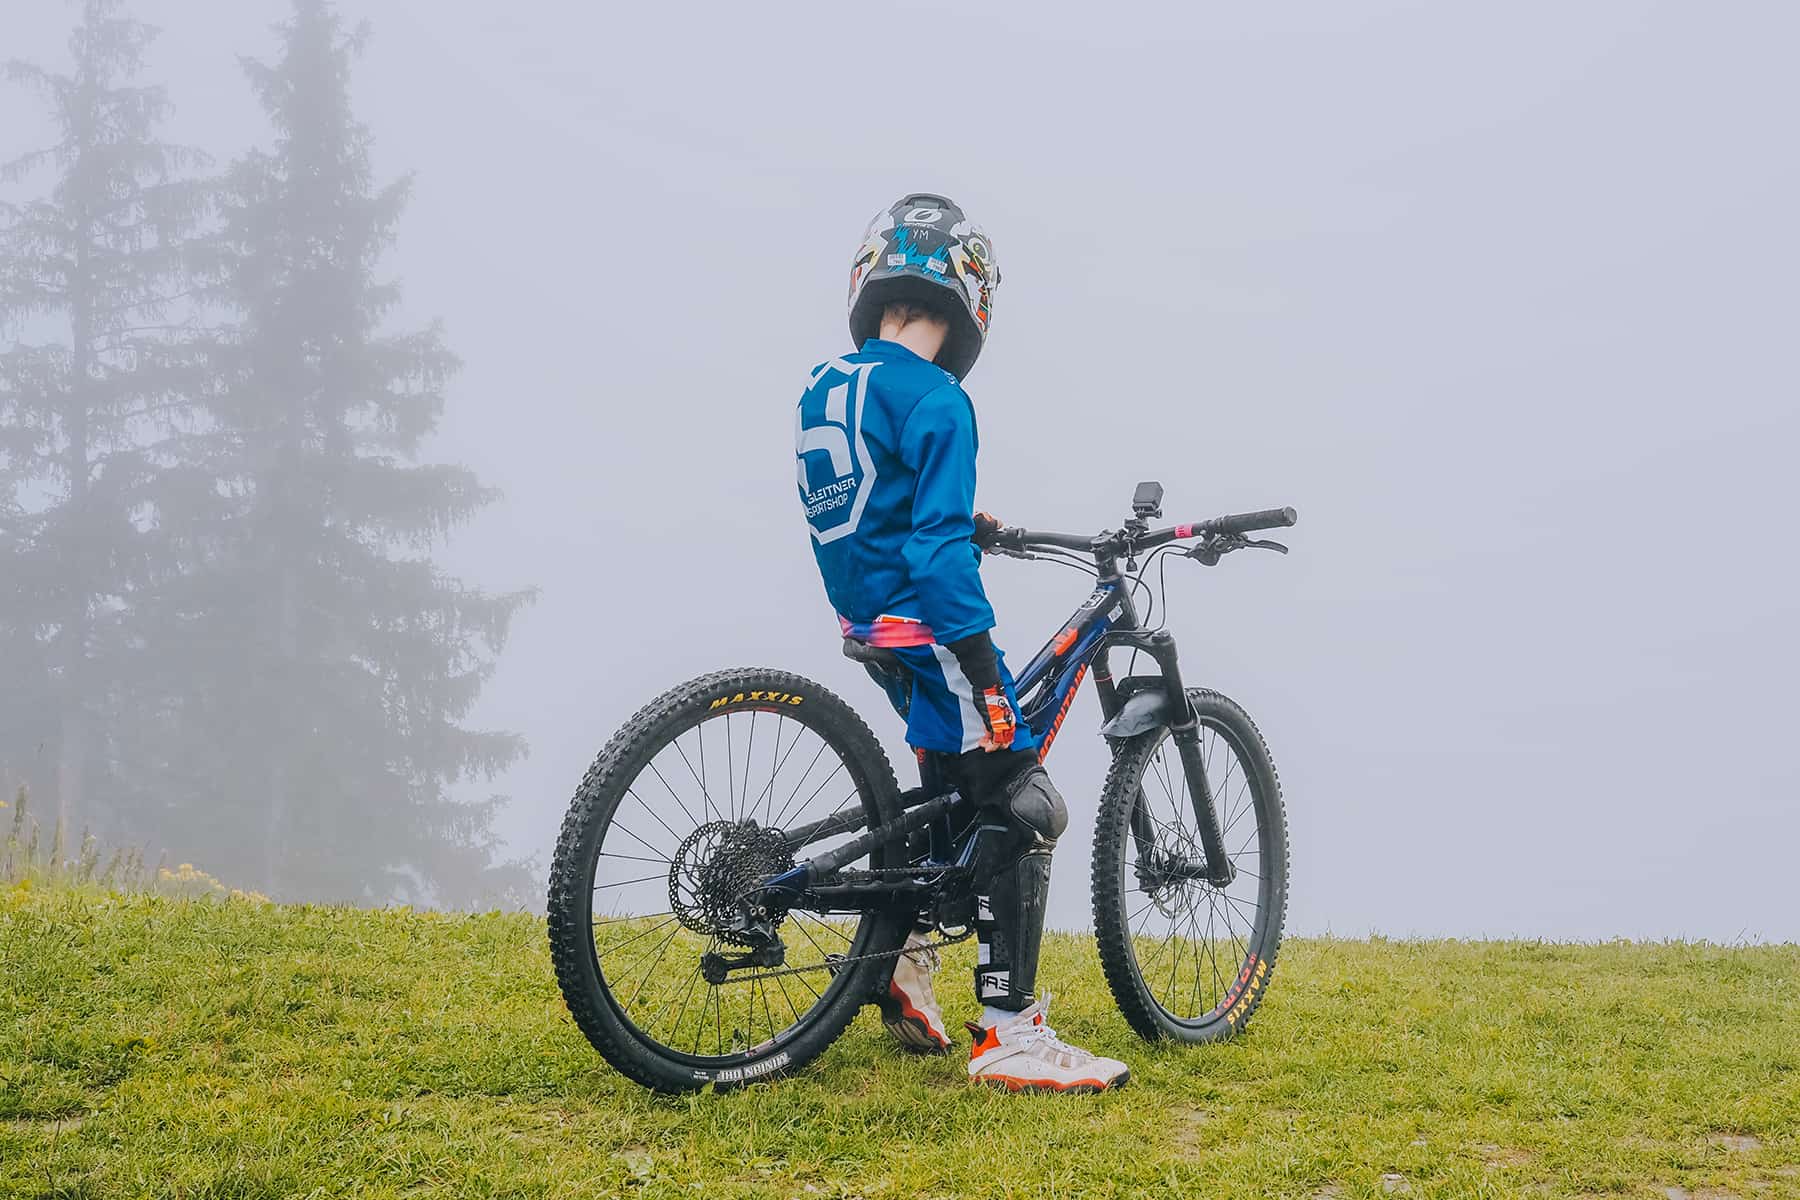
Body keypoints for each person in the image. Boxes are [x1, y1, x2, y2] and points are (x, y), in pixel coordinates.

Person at [792, 193, 1130, 1093]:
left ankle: (903, 959)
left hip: (866, 619)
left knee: (951, 800)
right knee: (1026, 802)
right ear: (969, 295)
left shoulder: (828, 384)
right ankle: (1011, 1034)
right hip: (924, 621)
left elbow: (872, 494)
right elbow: (935, 553)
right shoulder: (939, 398)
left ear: (873, 282)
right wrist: (983, 670)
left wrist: (945, 525)